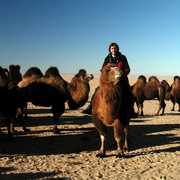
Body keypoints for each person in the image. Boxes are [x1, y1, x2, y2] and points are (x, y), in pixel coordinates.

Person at [82, 42, 138, 118]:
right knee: (97, 90)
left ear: (117, 49)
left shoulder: (122, 58)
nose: (113, 50)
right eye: (112, 48)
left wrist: (120, 76)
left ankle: (131, 110)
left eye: (115, 48)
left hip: (121, 79)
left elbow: (127, 69)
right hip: (109, 81)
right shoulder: (107, 59)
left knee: (129, 91)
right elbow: (103, 70)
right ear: (110, 50)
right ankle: (90, 107)